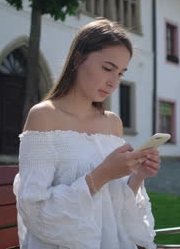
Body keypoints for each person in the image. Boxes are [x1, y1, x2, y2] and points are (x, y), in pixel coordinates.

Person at [13, 19, 161, 249]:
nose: (113, 82)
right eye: (107, 68)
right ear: (78, 59)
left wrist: (137, 175)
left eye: (120, 73)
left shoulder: (113, 123)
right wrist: (102, 174)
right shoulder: (44, 116)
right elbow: (34, 210)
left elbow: (115, 204)